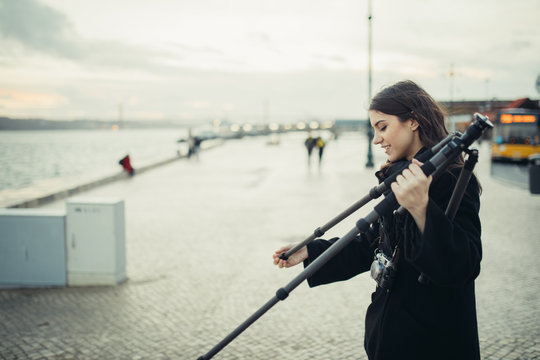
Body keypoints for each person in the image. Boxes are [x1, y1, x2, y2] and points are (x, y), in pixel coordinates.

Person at [273, 80, 482, 360]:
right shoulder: (401, 175)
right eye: (374, 129)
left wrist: (421, 207)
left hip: (431, 343)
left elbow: (463, 265)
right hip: (389, 338)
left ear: (413, 122)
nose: (376, 139)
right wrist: (311, 251)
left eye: (382, 127)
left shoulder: (452, 179)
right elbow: (371, 244)